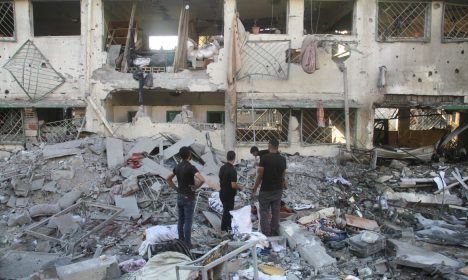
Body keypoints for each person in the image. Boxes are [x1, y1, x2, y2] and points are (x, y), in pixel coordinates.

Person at [166, 146, 205, 247]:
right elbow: (202, 179)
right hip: (189, 197)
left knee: (181, 220)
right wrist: (196, 187)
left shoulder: (177, 167)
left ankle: (181, 241)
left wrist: (176, 188)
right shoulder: (191, 167)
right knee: (188, 221)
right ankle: (187, 244)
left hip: (180, 196)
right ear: (189, 155)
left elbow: (168, 179)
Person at [251, 139, 287, 236]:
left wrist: (254, 189)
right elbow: (283, 174)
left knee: (264, 211)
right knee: (276, 211)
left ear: (269, 145)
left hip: (266, 190)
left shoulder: (265, 158)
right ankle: (274, 230)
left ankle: (266, 232)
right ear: (277, 146)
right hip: (278, 189)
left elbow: (260, 176)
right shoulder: (283, 159)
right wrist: (284, 183)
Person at [219, 151, 242, 232]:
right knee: (227, 212)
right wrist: (240, 187)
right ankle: (224, 229)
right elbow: (233, 185)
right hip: (228, 194)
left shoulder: (222, 168)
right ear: (234, 158)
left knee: (227, 210)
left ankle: (227, 227)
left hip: (222, 193)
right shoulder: (232, 170)